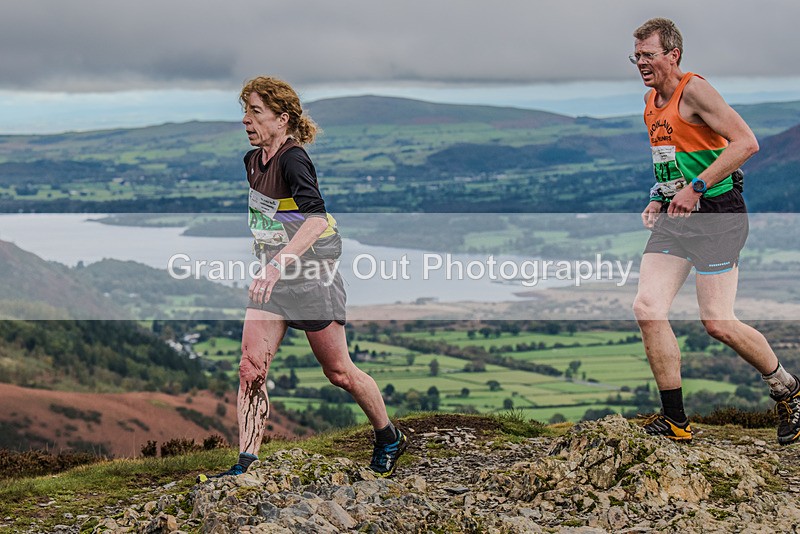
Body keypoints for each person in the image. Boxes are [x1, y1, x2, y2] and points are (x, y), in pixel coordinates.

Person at [199, 77, 407, 481]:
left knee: (339, 373)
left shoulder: (294, 159)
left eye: (255, 112)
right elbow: (275, 218)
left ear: (282, 118)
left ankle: (388, 436)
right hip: (273, 284)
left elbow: (313, 219)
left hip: (311, 277)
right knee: (250, 368)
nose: (245, 120)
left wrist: (278, 263)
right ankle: (246, 463)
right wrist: (269, 265)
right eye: (245, 111)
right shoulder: (252, 160)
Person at [630, 18, 800, 444]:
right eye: (636, 55)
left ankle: (788, 389)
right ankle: (675, 421)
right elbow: (670, 160)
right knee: (647, 308)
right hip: (676, 216)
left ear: (674, 55)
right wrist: (660, 193)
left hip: (718, 214)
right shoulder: (650, 102)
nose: (641, 63)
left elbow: (746, 143)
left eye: (648, 54)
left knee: (718, 322)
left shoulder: (696, 91)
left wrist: (697, 187)